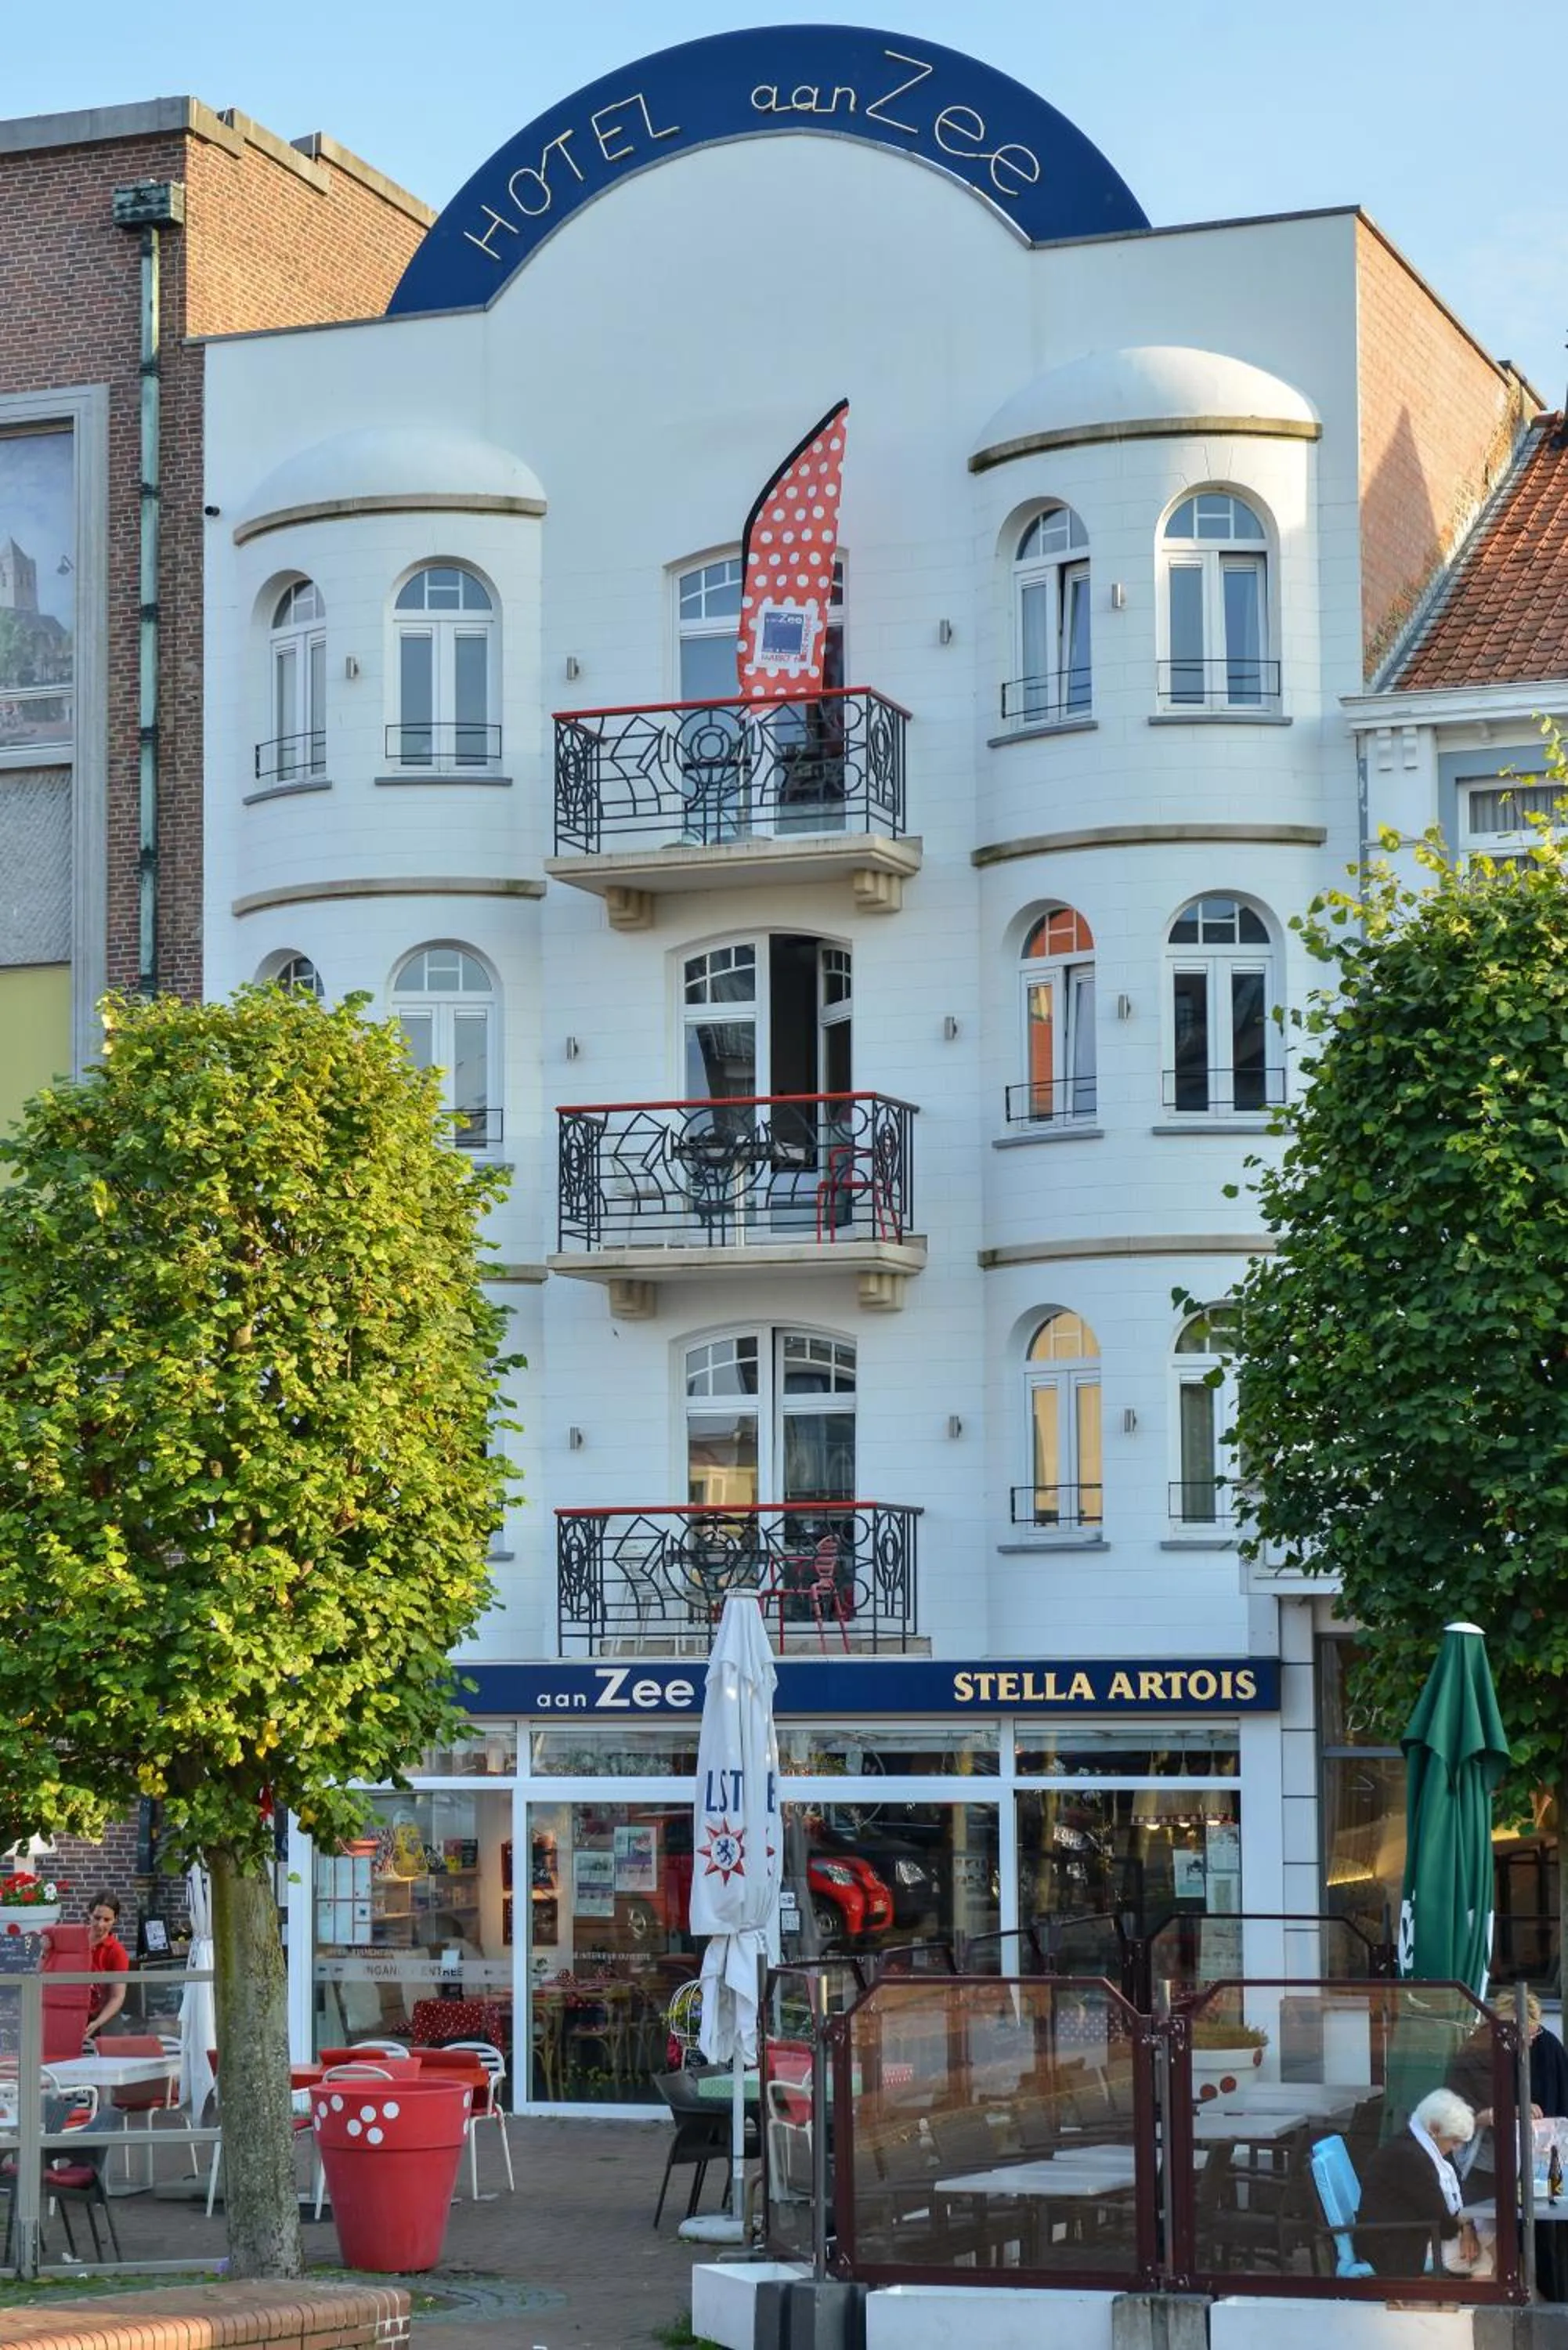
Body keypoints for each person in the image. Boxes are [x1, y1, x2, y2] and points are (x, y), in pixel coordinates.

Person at [1446, 1990, 1568, 2189]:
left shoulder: (1546, 2045)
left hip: (1541, 2160)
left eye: (1533, 2034)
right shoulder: (1479, 2049)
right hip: (1490, 2162)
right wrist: (1512, 2111)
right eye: (1524, 2035)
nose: (1529, 2042)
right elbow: (1462, 2111)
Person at [1353, 2087, 1480, 2278]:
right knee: (1493, 2256)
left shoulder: (1409, 2144)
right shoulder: (1412, 2160)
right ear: (1435, 2129)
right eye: (1454, 2141)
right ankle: (1477, 2304)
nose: (1456, 2148)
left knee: (1490, 2242)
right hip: (1394, 2248)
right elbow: (1443, 2224)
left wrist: (1467, 2226)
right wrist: (1465, 2227)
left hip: (1395, 2236)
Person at [81, 1891, 131, 2042]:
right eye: (97, 1918)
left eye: (107, 1919)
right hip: (72, 2014)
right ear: (89, 1914)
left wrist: (97, 2023)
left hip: (102, 2018)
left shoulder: (117, 1952)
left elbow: (117, 1996)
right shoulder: (73, 1939)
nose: (100, 1924)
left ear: (115, 1920)